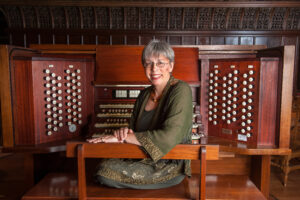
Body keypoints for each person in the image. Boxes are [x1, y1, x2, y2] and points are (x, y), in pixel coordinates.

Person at [87, 39, 193, 189]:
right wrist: (122, 134)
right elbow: (132, 131)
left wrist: (124, 138)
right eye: (148, 63)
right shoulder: (143, 95)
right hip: (140, 155)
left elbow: (169, 136)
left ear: (171, 65)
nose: (154, 69)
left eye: (160, 63)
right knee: (100, 166)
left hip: (169, 163)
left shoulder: (181, 90)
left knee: (104, 172)